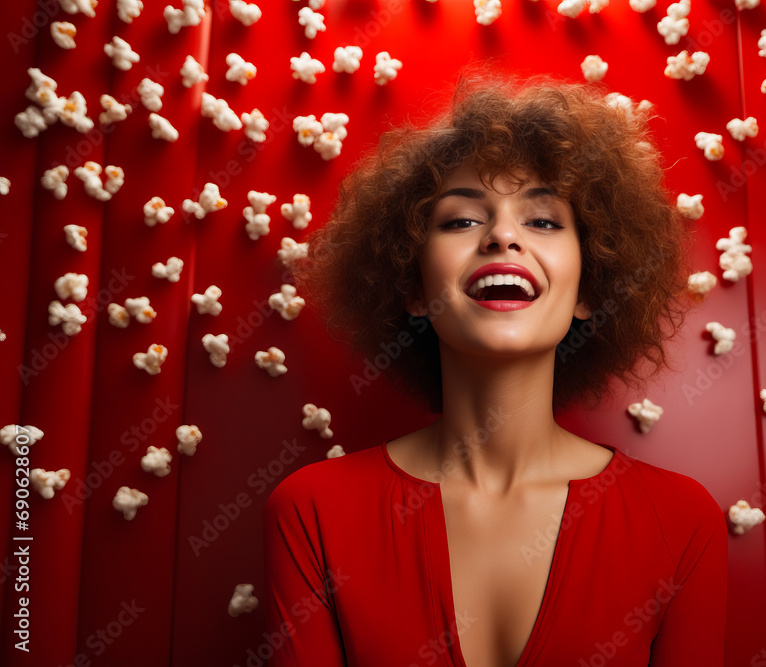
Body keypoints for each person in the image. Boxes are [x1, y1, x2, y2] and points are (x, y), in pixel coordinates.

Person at [263, 63, 728, 666]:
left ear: (590, 287)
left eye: (543, 220)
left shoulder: (680, 521)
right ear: (412, 285)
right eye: (461, 220)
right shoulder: (311, 511)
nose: (502, 238)